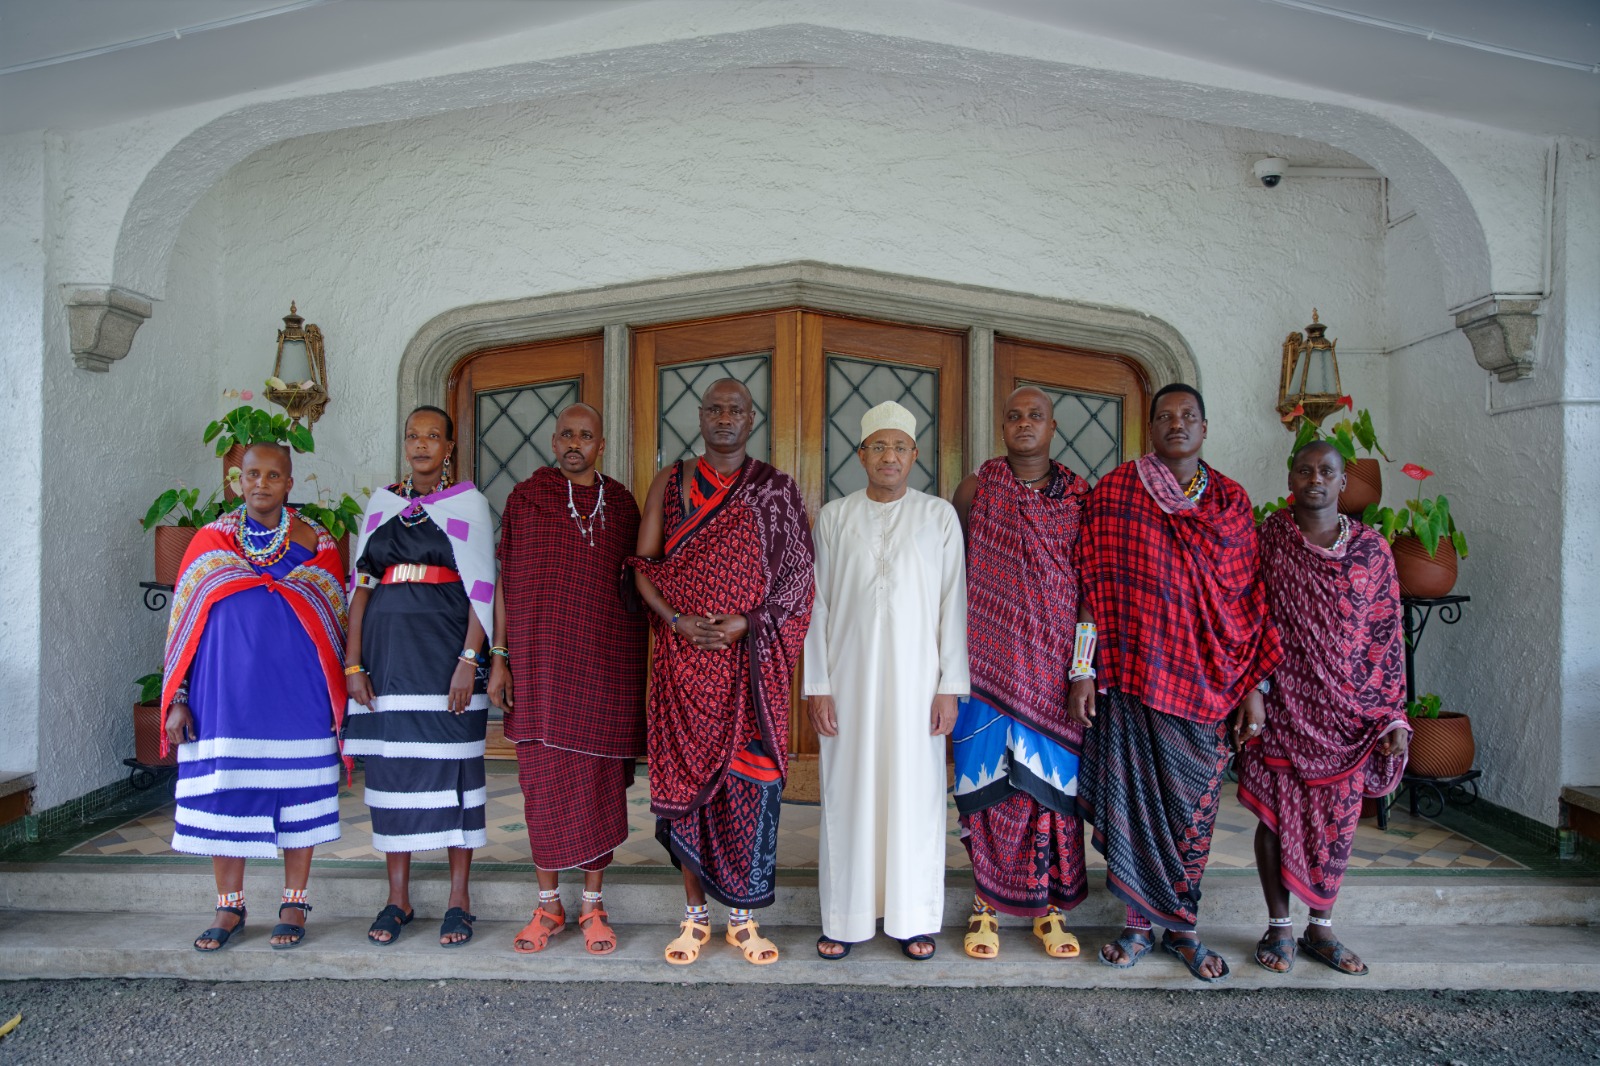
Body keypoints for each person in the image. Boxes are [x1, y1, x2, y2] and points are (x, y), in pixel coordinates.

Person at [1068, 383, 1283, 983]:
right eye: (1165, 416)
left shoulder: (1232, 503)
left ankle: (1184, 927)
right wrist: (1083, 670)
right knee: (1133, 804)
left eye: (1188, 415)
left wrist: (1253, 688)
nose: (1177, 424)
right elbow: (1091, 591)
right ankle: (1138, 926)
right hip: (1132, 681)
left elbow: (1250, 604)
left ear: (1205, 428)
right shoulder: (1116, 494)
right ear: (1151, 428)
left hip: (1209, 686)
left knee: (1194, 811)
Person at [631, 378, 814, 966]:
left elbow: (799, 583)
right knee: (688, 790)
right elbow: (643, 567)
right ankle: (694, 916)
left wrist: (747, 623)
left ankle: (742, 917)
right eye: (715, 408)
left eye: (737, 410)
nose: (725, 418)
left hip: (751, 667)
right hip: (684, 664)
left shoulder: (776, 490)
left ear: (752, 419)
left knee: (750, 785)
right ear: (700, 416)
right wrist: (677, 621)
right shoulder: (671, 482)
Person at [160, 443, 348, 952]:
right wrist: (178, 697)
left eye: (273, 475)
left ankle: (294, 902)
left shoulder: (319, 542)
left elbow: (335, 622)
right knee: (228, 794)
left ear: (290, 483)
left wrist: (339, 697)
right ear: (237, 481)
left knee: (298, 794)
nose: (261, 483)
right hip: (224, 695)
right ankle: (230, 906)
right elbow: (184, 626)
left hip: (299, 694)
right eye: (252, 474)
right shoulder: (209, 542)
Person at [1238, 440, 1410, 977]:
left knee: (1338, 822)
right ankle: (1279, 926)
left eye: (1327, 471)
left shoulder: (1373, 551)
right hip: (1283, 706)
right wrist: (1252, 689)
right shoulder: (1268, 540)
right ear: (1290, 480)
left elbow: (1386, 635)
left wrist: (1393, 715)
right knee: (1276, 816)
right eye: (1305, 470)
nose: (1315, 479)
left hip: (1349, 715)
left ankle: (1321, 927)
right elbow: (1248, 617)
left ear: (1343, 483)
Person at [805, 401, 967, 962]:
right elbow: (817, 606)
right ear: (861, 455)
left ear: (914, 455)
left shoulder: (939, 517)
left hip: (919, 686)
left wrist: (949, 685)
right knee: (848, 794)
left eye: (899, 447)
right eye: (879, 447)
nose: (889, 457)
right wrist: (818, 685)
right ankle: (844, 917)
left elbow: (953, 605)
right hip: (847, 683)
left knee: (915, 797)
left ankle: (912, 917)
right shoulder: (834, 517)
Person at [487, 403, 647, 956]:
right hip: (540, 669)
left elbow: (641, 583)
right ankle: (548, 904)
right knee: (543, 788)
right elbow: (506, 582)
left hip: (605, 668)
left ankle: (593, 905)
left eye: (586, 435)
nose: (575, 443)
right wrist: (500, 657)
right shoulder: (526, 500)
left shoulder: (622, 505)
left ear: (601, 444)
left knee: (598, 788)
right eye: (566, 435)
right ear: (554, 442)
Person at [343, 405, 496, 948]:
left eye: (433, 436)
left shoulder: (468, 505)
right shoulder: (382, 504)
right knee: (392, 774)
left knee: (456, 771)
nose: (422, 444)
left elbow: (483, 587)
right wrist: (354, 663)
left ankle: (459, 899)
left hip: (447, 656)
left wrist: (470, 659)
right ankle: (398, 898)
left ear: (450, 447)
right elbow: (361, 587)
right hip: (387, 659)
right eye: (413, 435)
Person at [950, 386, 1091, 961]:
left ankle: (1050, 909)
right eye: (1014, 416)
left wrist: (1083, 669)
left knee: (1050, 794)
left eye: (1036, 416)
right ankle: (985, 905)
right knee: (987, 792)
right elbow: (951, 578)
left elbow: (1091, 592)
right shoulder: (976, 489)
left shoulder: (1080, 497)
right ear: (1002, 427)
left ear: (1053, 427)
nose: (1024, 424)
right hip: (985, 668)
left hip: (1054, 672)